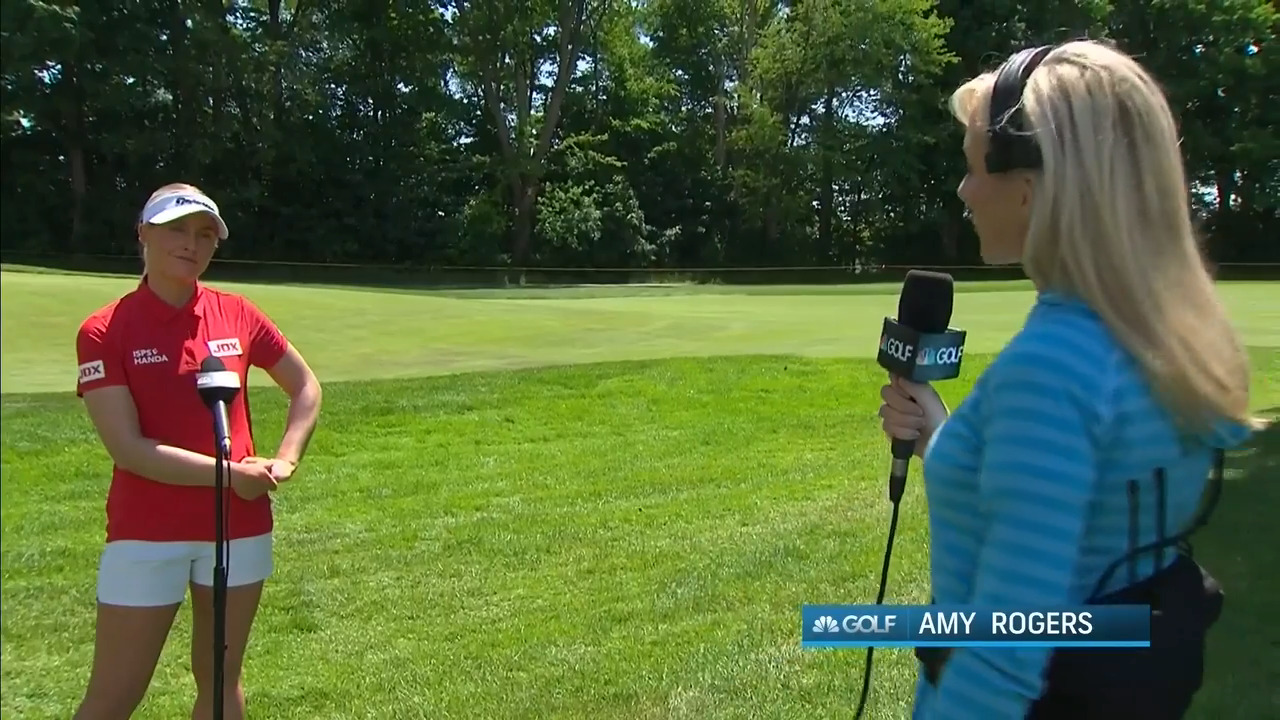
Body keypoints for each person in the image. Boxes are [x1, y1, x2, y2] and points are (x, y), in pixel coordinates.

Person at [877, 40, 1262, 719]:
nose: (964, 193)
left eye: (971, 169)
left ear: (1026, 192)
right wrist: (948, 436)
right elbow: (1090, 524)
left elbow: (1003, 656)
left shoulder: (1050, 368)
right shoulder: (1153, 342)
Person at [72, 182, 322, 720]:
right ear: (143, 234)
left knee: (220, 684)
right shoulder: (102, 331)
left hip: (239, 528)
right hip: (146, 532)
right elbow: (130, 449)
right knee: (115, 695)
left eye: (205, 234)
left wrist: (287, 458)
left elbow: (306, 387)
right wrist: (232, 474)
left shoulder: (238, 314)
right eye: (177, 230)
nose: (192, 244)